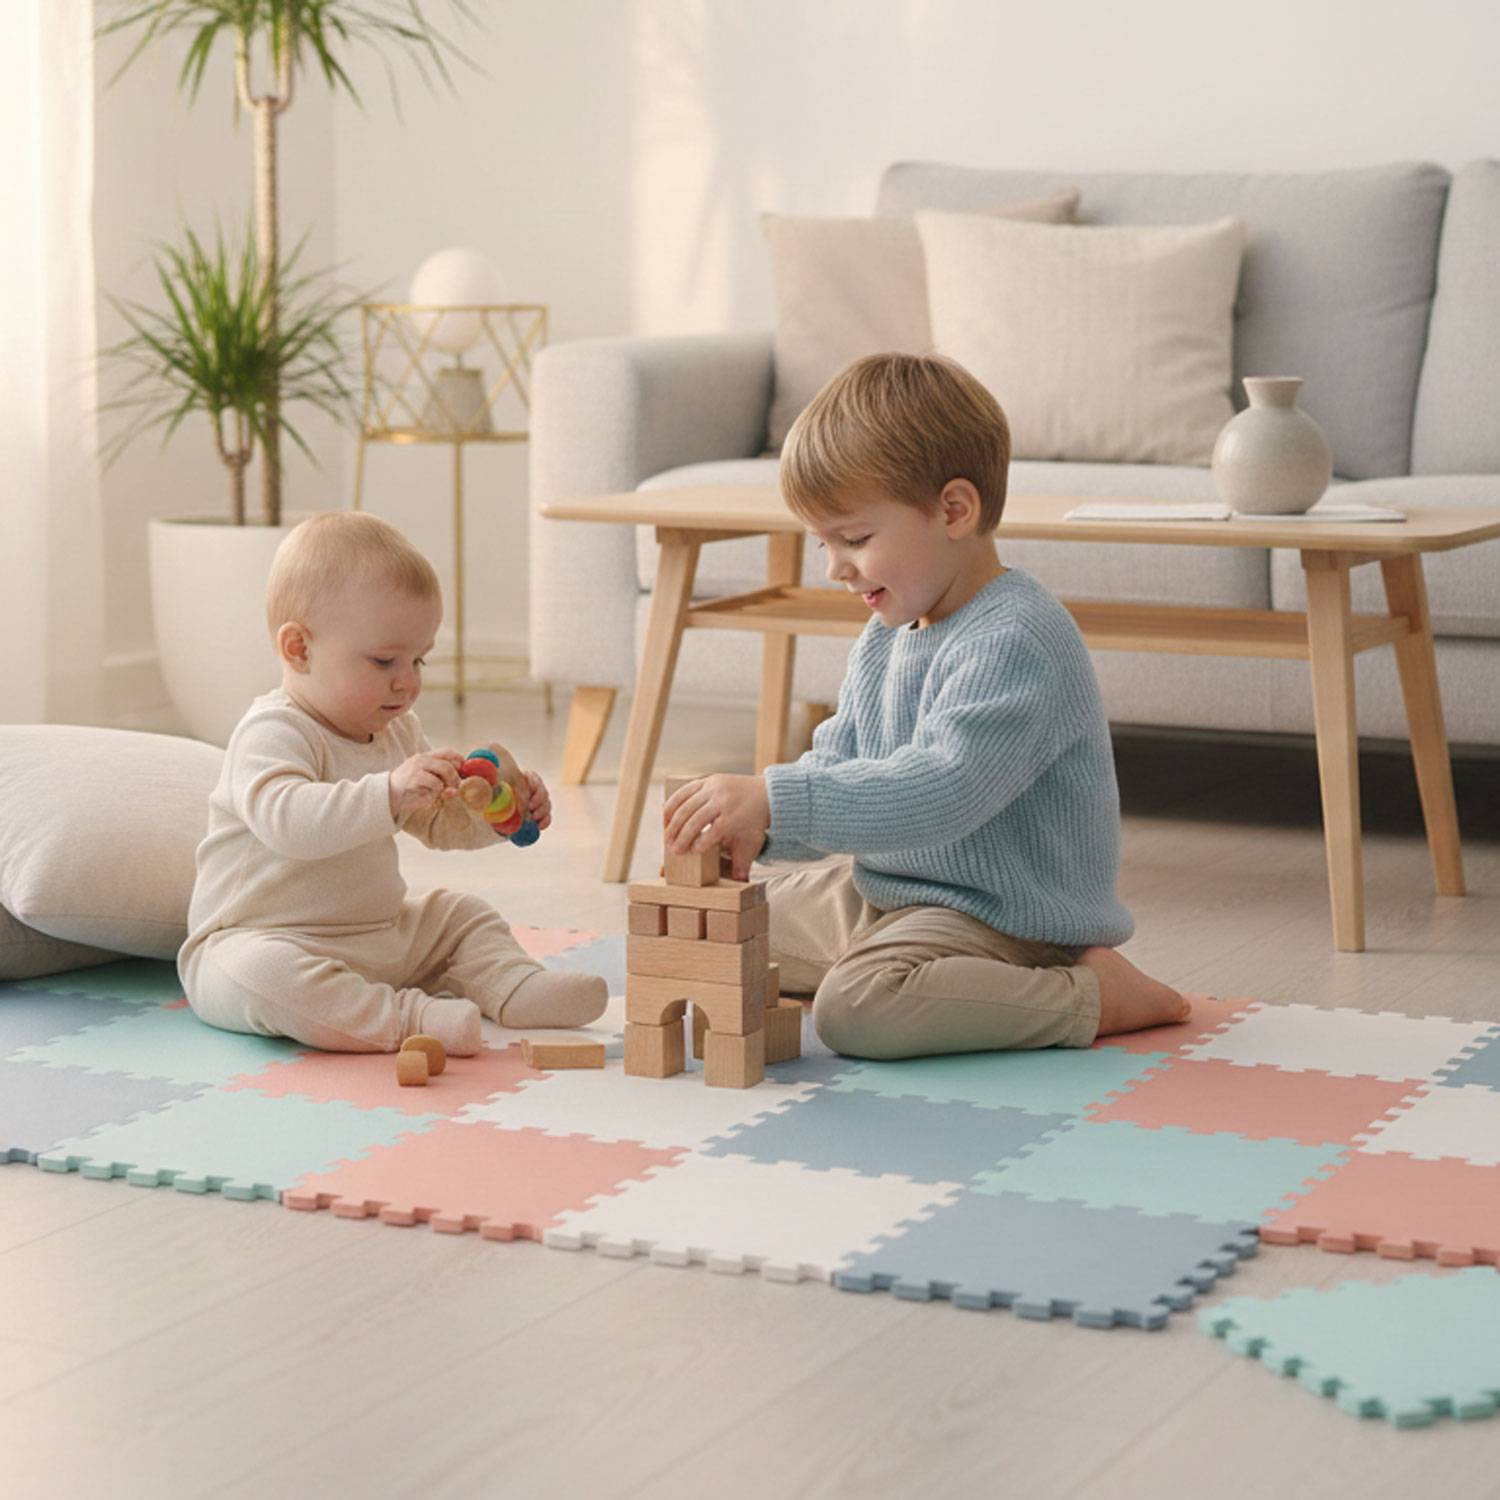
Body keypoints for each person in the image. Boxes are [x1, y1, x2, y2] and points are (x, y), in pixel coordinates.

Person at [663, 353, 1187, 1060]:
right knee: (710, 928)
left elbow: (944, 790)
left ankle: (1088, 998)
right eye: (823, 543)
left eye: (853, 539)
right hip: (889, 891)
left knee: (860, 1011)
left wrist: (777, 800)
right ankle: (920, 978)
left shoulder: (1017, 638)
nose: (833, 568)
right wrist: (754, 831)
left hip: (1002, 916)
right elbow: (841, 765)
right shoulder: (888, 634)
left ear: (953, 510)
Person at [179, 511, 606, 1055]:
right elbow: (289, 824)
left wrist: (497, 814)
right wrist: (389, 793)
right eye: (384, 660)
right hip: (264, 938)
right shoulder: (272, 731)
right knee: (262, 974)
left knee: (459, 914)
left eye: (418, 659)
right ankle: (407, 1019)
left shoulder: (397, 730)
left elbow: (438, 824)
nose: (407, 682)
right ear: (299, 650)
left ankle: (513, 985)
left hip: (377, 934)